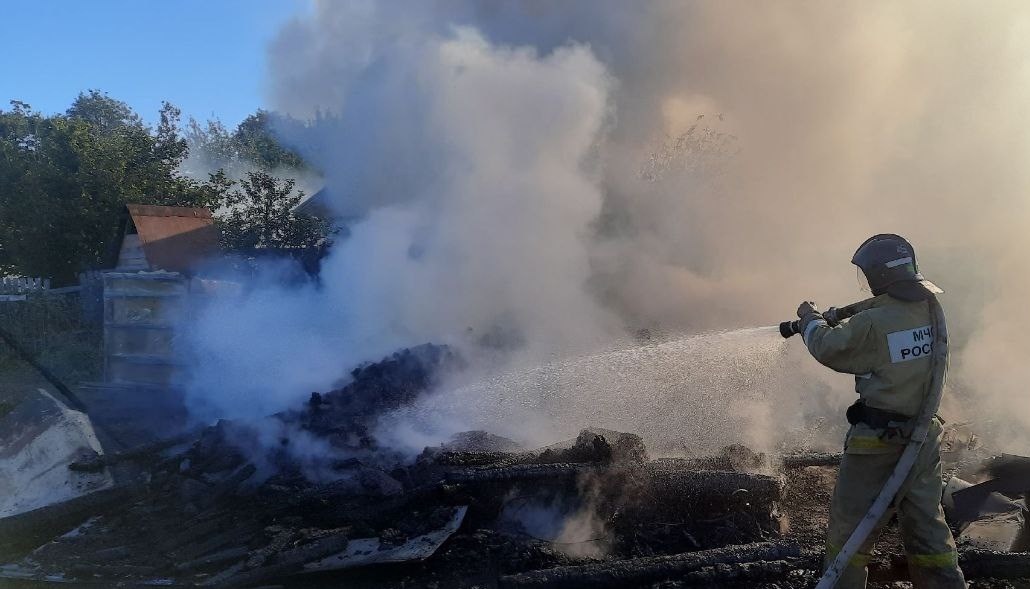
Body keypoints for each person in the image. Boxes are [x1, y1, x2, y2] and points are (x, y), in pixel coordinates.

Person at [795, 234, 966, 589]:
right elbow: (886, 321)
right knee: (926, 524)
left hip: (878, 443)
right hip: (924, 438)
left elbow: (828, 347)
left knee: (850, 528)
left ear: (879, 274)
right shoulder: (930, 309)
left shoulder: (873, 324)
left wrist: (809, 319)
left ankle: (842, 583)